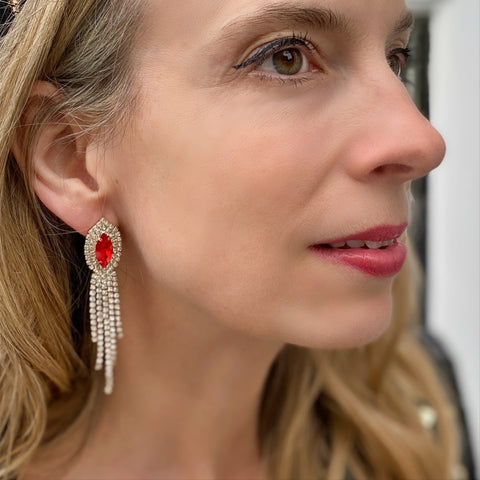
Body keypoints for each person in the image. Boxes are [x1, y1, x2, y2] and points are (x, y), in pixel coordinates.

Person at [0, 0, 467, 478]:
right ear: (70, 156)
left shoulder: (415, 417)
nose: (422, 140)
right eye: (285, 57)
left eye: (395, 60)